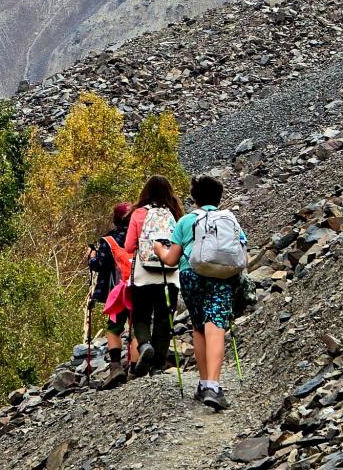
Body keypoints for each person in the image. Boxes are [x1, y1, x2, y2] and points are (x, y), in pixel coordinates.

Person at [154, 175, 242, 411]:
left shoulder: (185, 221)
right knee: (216, 324)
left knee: (199, 326)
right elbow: (241, 251)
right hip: (222, 276)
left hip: (191, 275)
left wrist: (159, 250)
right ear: (219, 198)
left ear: (194, 199)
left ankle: (204, 384)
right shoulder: (229, 219)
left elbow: (171, 260)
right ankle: (213, 386)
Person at [125, 175, 183, 375]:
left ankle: (144, 344)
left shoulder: (139, 213)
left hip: (144, 274)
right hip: (170, 274)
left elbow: (129, 246)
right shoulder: (175, 213)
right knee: (164, 319)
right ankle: (157, 366)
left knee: (140, 315)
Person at [87, 201, 133, 387]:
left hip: (118, 291)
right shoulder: (141, 236)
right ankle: (136, 369)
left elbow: (99, 265)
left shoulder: (109, 240)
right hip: (140, 287)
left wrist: (91, 256)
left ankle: (116, 367)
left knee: (114, 328)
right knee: (137, 327)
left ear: (115, 219)